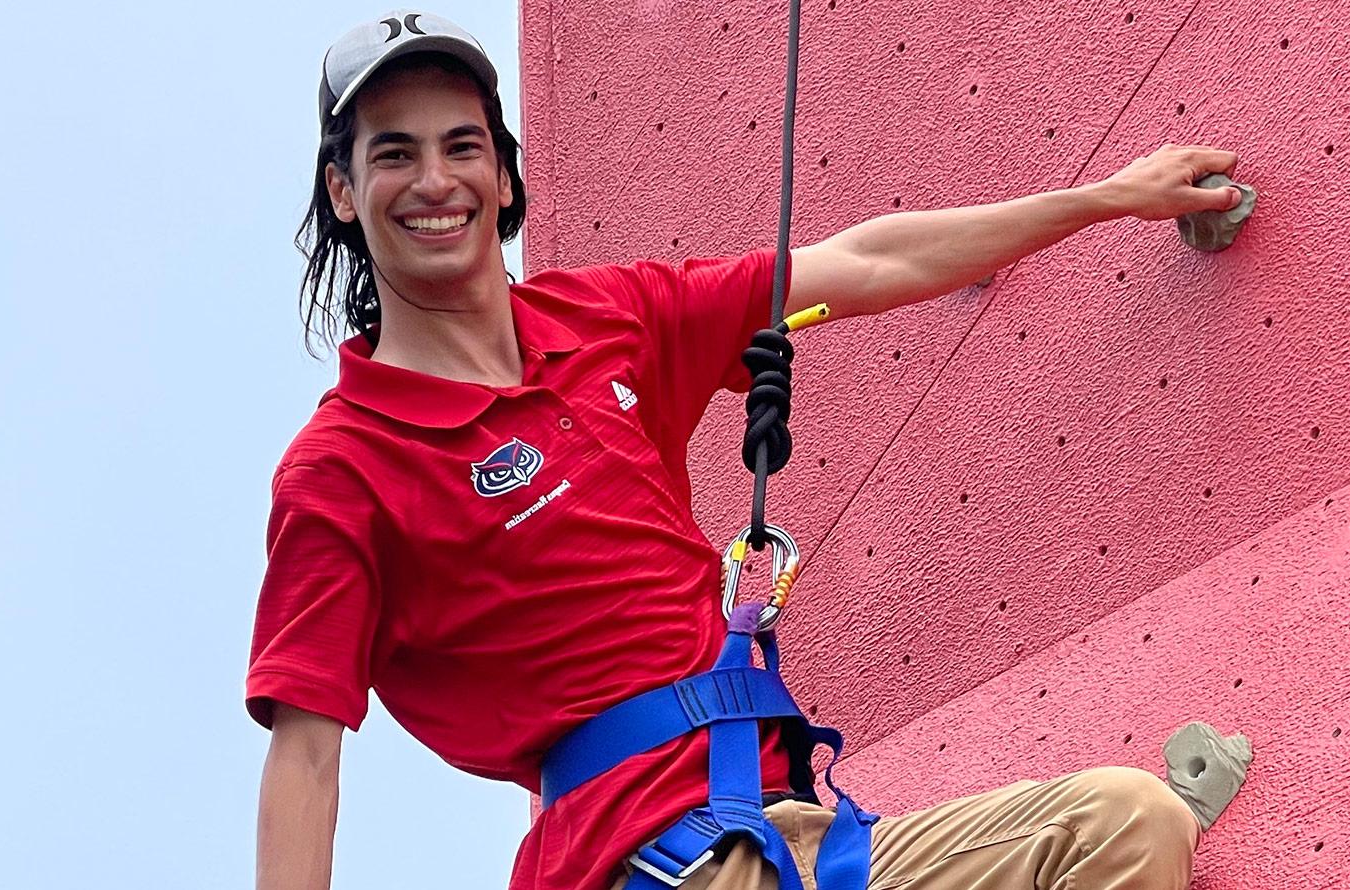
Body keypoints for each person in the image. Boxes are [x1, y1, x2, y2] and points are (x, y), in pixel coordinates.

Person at [249, 10, 1245, 890]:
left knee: (1127, 824)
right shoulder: (345, 463)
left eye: (461, 145)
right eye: (393, 154)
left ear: (502, 173)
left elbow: (867, 260)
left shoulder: (611, 319)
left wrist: (1111, 198)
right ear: (343, 190)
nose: (435, 180)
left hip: (795, 834)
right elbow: (305, 758)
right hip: (631, 856)